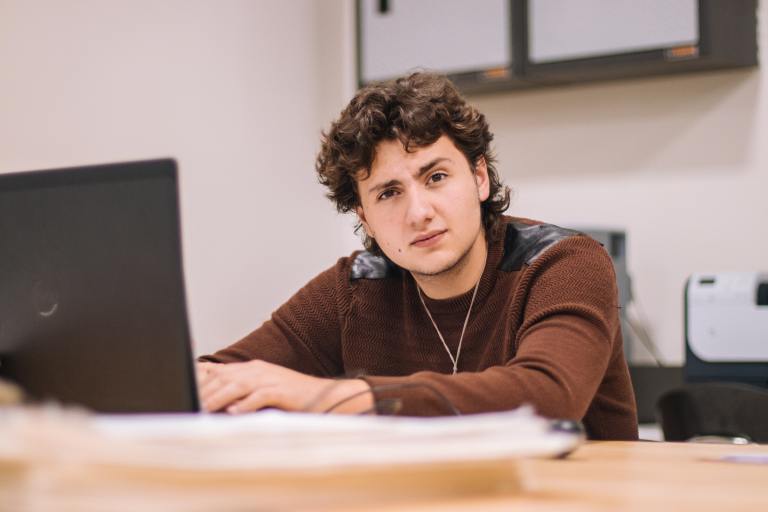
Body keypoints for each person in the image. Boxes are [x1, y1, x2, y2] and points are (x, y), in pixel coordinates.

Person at [197, 72, 638, 440]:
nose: (419, 213)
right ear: (365, 219)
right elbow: (215, 378)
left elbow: (548, 396)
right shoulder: (354, 290)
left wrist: (330, 398)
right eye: (389, 193)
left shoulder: (564, 263)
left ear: (479, 178)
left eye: (437, 177)